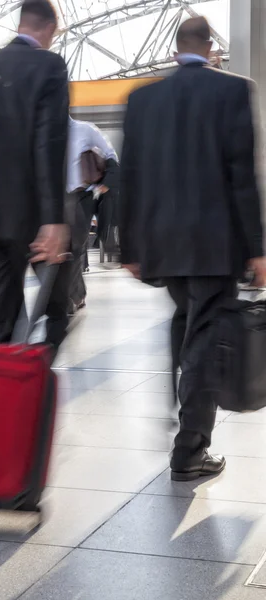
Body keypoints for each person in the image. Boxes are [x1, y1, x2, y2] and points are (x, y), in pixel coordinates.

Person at [119, 16, 266, 482]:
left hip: (164, 243)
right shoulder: (232, 90)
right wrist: (258, 248)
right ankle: (189, 450)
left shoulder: (143, 98)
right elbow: (243, 176)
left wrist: (129, 244)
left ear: (175, 47)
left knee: (188, 323)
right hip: (213, 242)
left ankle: (181, 409)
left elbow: (131, 176)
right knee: (202, 338)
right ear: (211, 48)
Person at [0, 0, 70, 356]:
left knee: (1, 321)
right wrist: (53, 220)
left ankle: (3, 399)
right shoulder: (49, 65)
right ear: (50, 28)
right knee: (57, 312)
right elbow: (48, 143)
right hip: (32, 217)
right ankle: (32, 384)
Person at [67, 117, 119, 313]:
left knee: (75, 246)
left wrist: (103, 186)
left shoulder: (86, 129)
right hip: (54, 198)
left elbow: (110, 154)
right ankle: (74, 294)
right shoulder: (44, 131)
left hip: (82, 196)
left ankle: (74, 296)